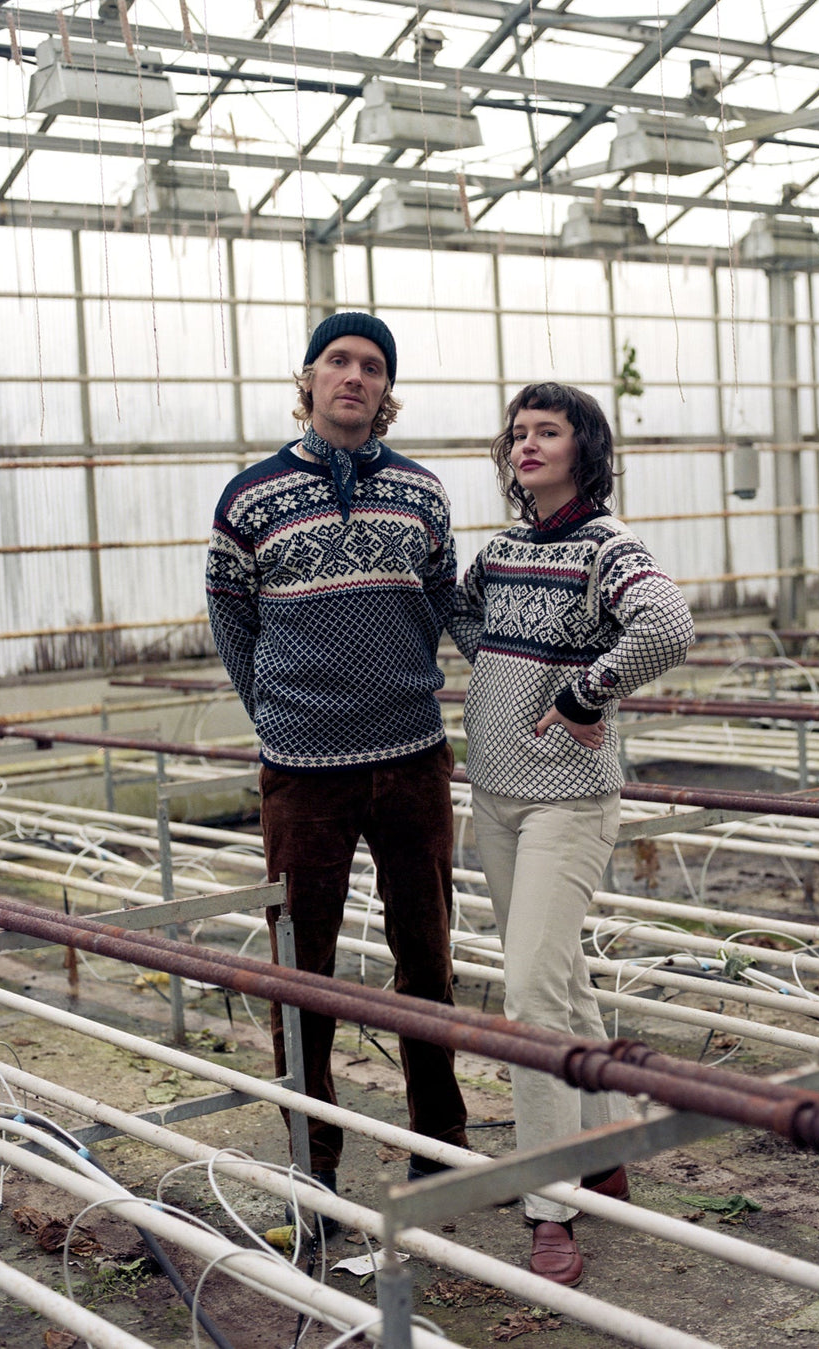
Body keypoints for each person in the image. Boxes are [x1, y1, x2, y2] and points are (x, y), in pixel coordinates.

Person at [205, 311, 469, 1225]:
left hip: (412, 761)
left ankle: (441, 1145)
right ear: (310, 379)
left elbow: (446, 605)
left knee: (426, 959)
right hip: (304, 772)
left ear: (386, 390)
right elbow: (232, 620)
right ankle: (310, 1158)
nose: (354, 377)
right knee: (301, 968)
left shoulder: (423, 495)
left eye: (372, 366)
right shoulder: (252, 498)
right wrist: (281, 718)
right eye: (338, 362)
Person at [449, 382, 694, 1286]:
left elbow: (668, 623)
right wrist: (511, 675)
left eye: (546, 431)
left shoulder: (606, 545)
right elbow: (462, 612)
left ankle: (551, 1205)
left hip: (568, 801)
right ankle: (604, 1145)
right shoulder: (506, 550)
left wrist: (586, 690)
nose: (526, 445)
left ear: (584, 447)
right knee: (560, 983)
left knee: (528, 1002)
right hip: (497, 795)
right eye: (517, 433)